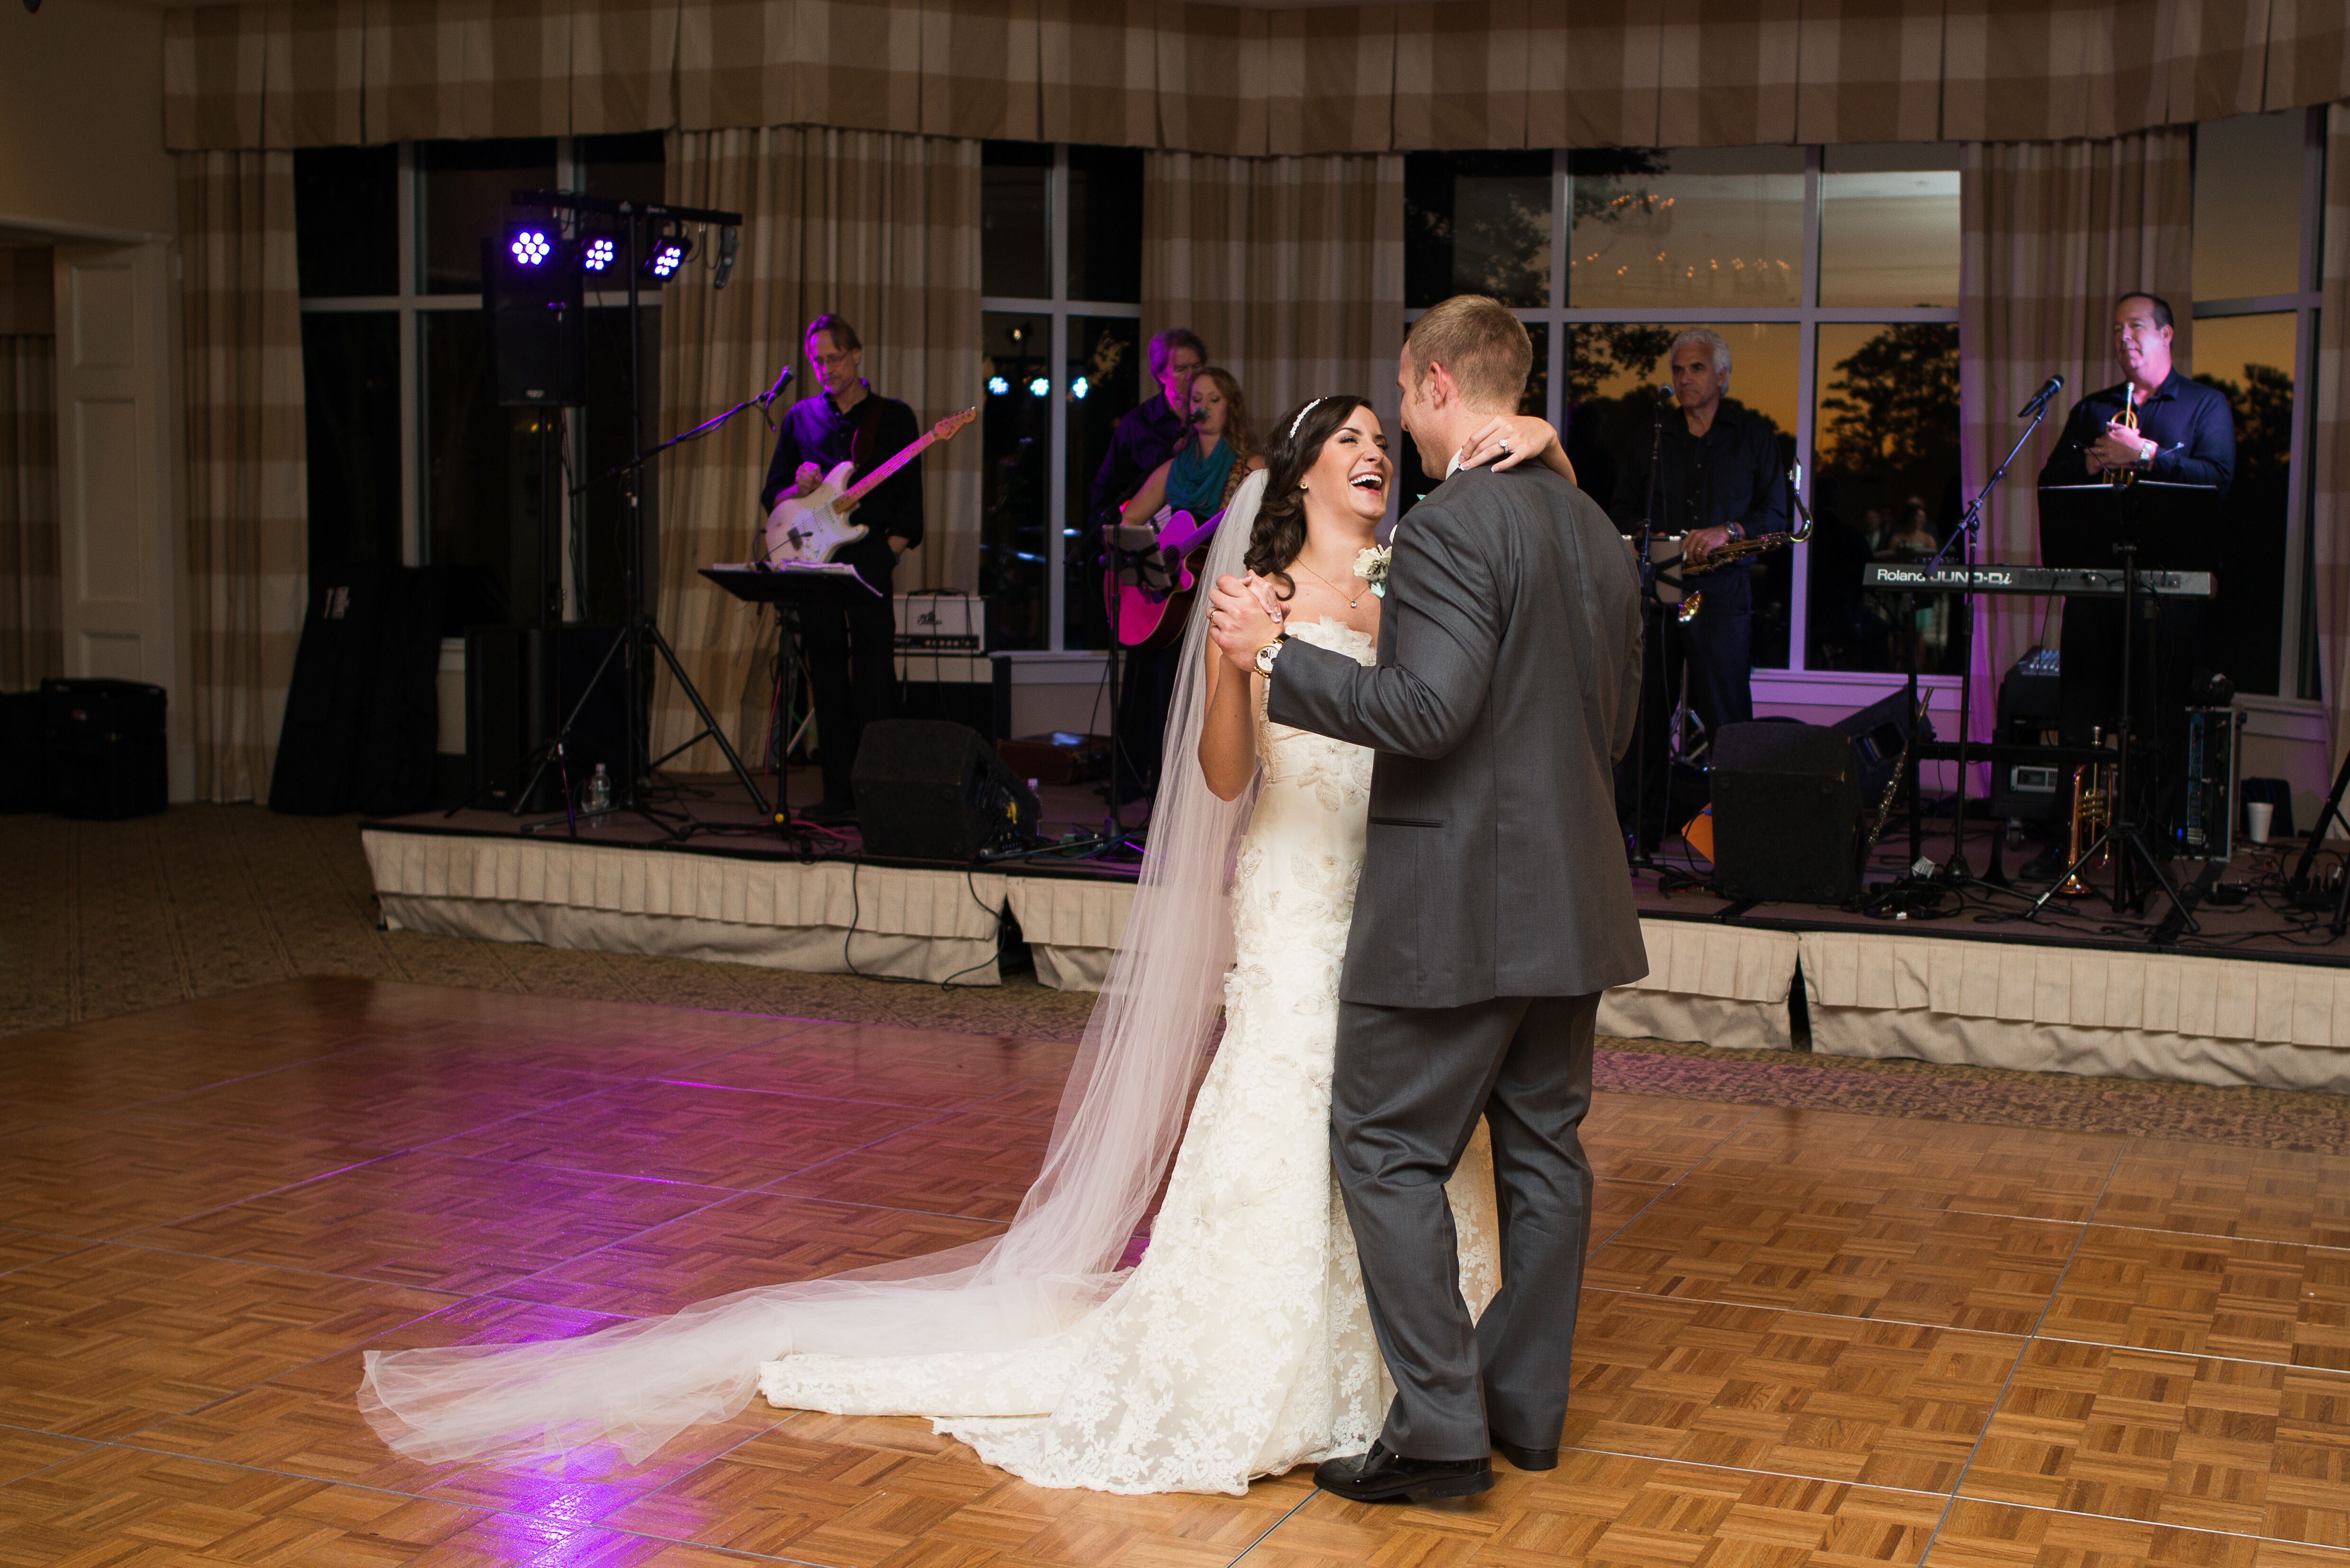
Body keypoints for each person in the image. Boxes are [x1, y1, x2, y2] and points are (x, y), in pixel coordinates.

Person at [357, 394, 1582, 1496]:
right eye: (1350, 441)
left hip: (1416, 898)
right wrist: (1235, 656)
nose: (1375, 454)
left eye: (1383, 438)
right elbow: (1221, 775)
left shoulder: (1414, 577)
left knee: (1404, 1139)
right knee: (1292, 1112)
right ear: (1300, 475)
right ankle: (1275, 1370)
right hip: (1302, 895)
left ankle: (1422, 1382)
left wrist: (1550, 446)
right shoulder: (1249, 602)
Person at [1207, 294, 1647, 1504]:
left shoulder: (1451, 528)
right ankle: (1529, 1413)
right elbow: (1613, 725)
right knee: (1545, 1155)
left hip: (1463, 899)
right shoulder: (1595, 533)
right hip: (1574, 898)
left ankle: (1444, 1433)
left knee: (1385, 1143)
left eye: (1402, 399)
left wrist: (1277, 659)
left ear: (1437, 382)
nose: (1396, 424)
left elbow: (1427, 713)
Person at [2030, 291, 2236, 875]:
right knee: (2079, 723)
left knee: (2155, 726)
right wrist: (2094, 463)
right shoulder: (2093, 409)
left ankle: (2149, 849)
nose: (2124, 336)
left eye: (2136, 325)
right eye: (2117, 327)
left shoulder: (2203, 406)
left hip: (2164, 597)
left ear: (2166, 335)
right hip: (2096, 591)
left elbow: (2216, 481)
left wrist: (2143, 453)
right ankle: (2068, 843)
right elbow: (2053, 482)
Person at [1609, 326, 1790, 853]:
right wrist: (1648, 538)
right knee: (1645, 713)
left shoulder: (1753, 435)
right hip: (1660, 581)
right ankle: (1637, 830)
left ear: (1722, 377)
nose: (1683, 379)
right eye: (1677, 370)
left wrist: (1727, 530)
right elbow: (1619, 509)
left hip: (1723, 587)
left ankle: (1742, 837)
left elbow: (1775, 515)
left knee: (1726, 714)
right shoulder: (1651, 436)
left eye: (1694, 369)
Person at [756, 314, 923, 823]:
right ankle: (835, 793)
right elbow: (773, 493)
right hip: (812, 554)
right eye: (817, 361)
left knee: (875, 667)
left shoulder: (893, 417)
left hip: (867, 548)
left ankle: (878, 790)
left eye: (833, 358)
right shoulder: (800, 418)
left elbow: (910, 499)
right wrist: (797, 488)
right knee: (825, 667)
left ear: (856, 355)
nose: (825, 369)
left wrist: (889, 547)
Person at [1090, 328, 1207, 798]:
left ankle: (1179, 782)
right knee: (1141, 676)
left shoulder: (1211, 423)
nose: (1189, 374)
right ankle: (1133, 776)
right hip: (1149, 570)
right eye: (1179, 367)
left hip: (1193, 569)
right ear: (1160, 374)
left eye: (1195, 364)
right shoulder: (1138, 425)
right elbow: (1105, 495)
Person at [1118, 366, 1262, 531]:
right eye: (1197, 399)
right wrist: (1155, 553)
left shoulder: (1251, 466)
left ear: (1232, 407)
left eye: (1214, 399)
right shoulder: (1174, 468)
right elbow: (1128, 519)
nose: (1204, 407)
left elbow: (1258, 531)